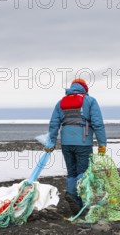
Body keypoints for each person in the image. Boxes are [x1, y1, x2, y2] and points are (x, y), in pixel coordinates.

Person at [45, 78, 107, 215]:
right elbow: (98, 124)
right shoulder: (90, 101)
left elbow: (54, 124)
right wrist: (102, 144)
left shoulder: (61, 102)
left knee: (72, 172)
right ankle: (75, 196)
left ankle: (75, 201)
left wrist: (51, 143)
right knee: (83, 173)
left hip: (66, 143)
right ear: (85, 89)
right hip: (83, 142)